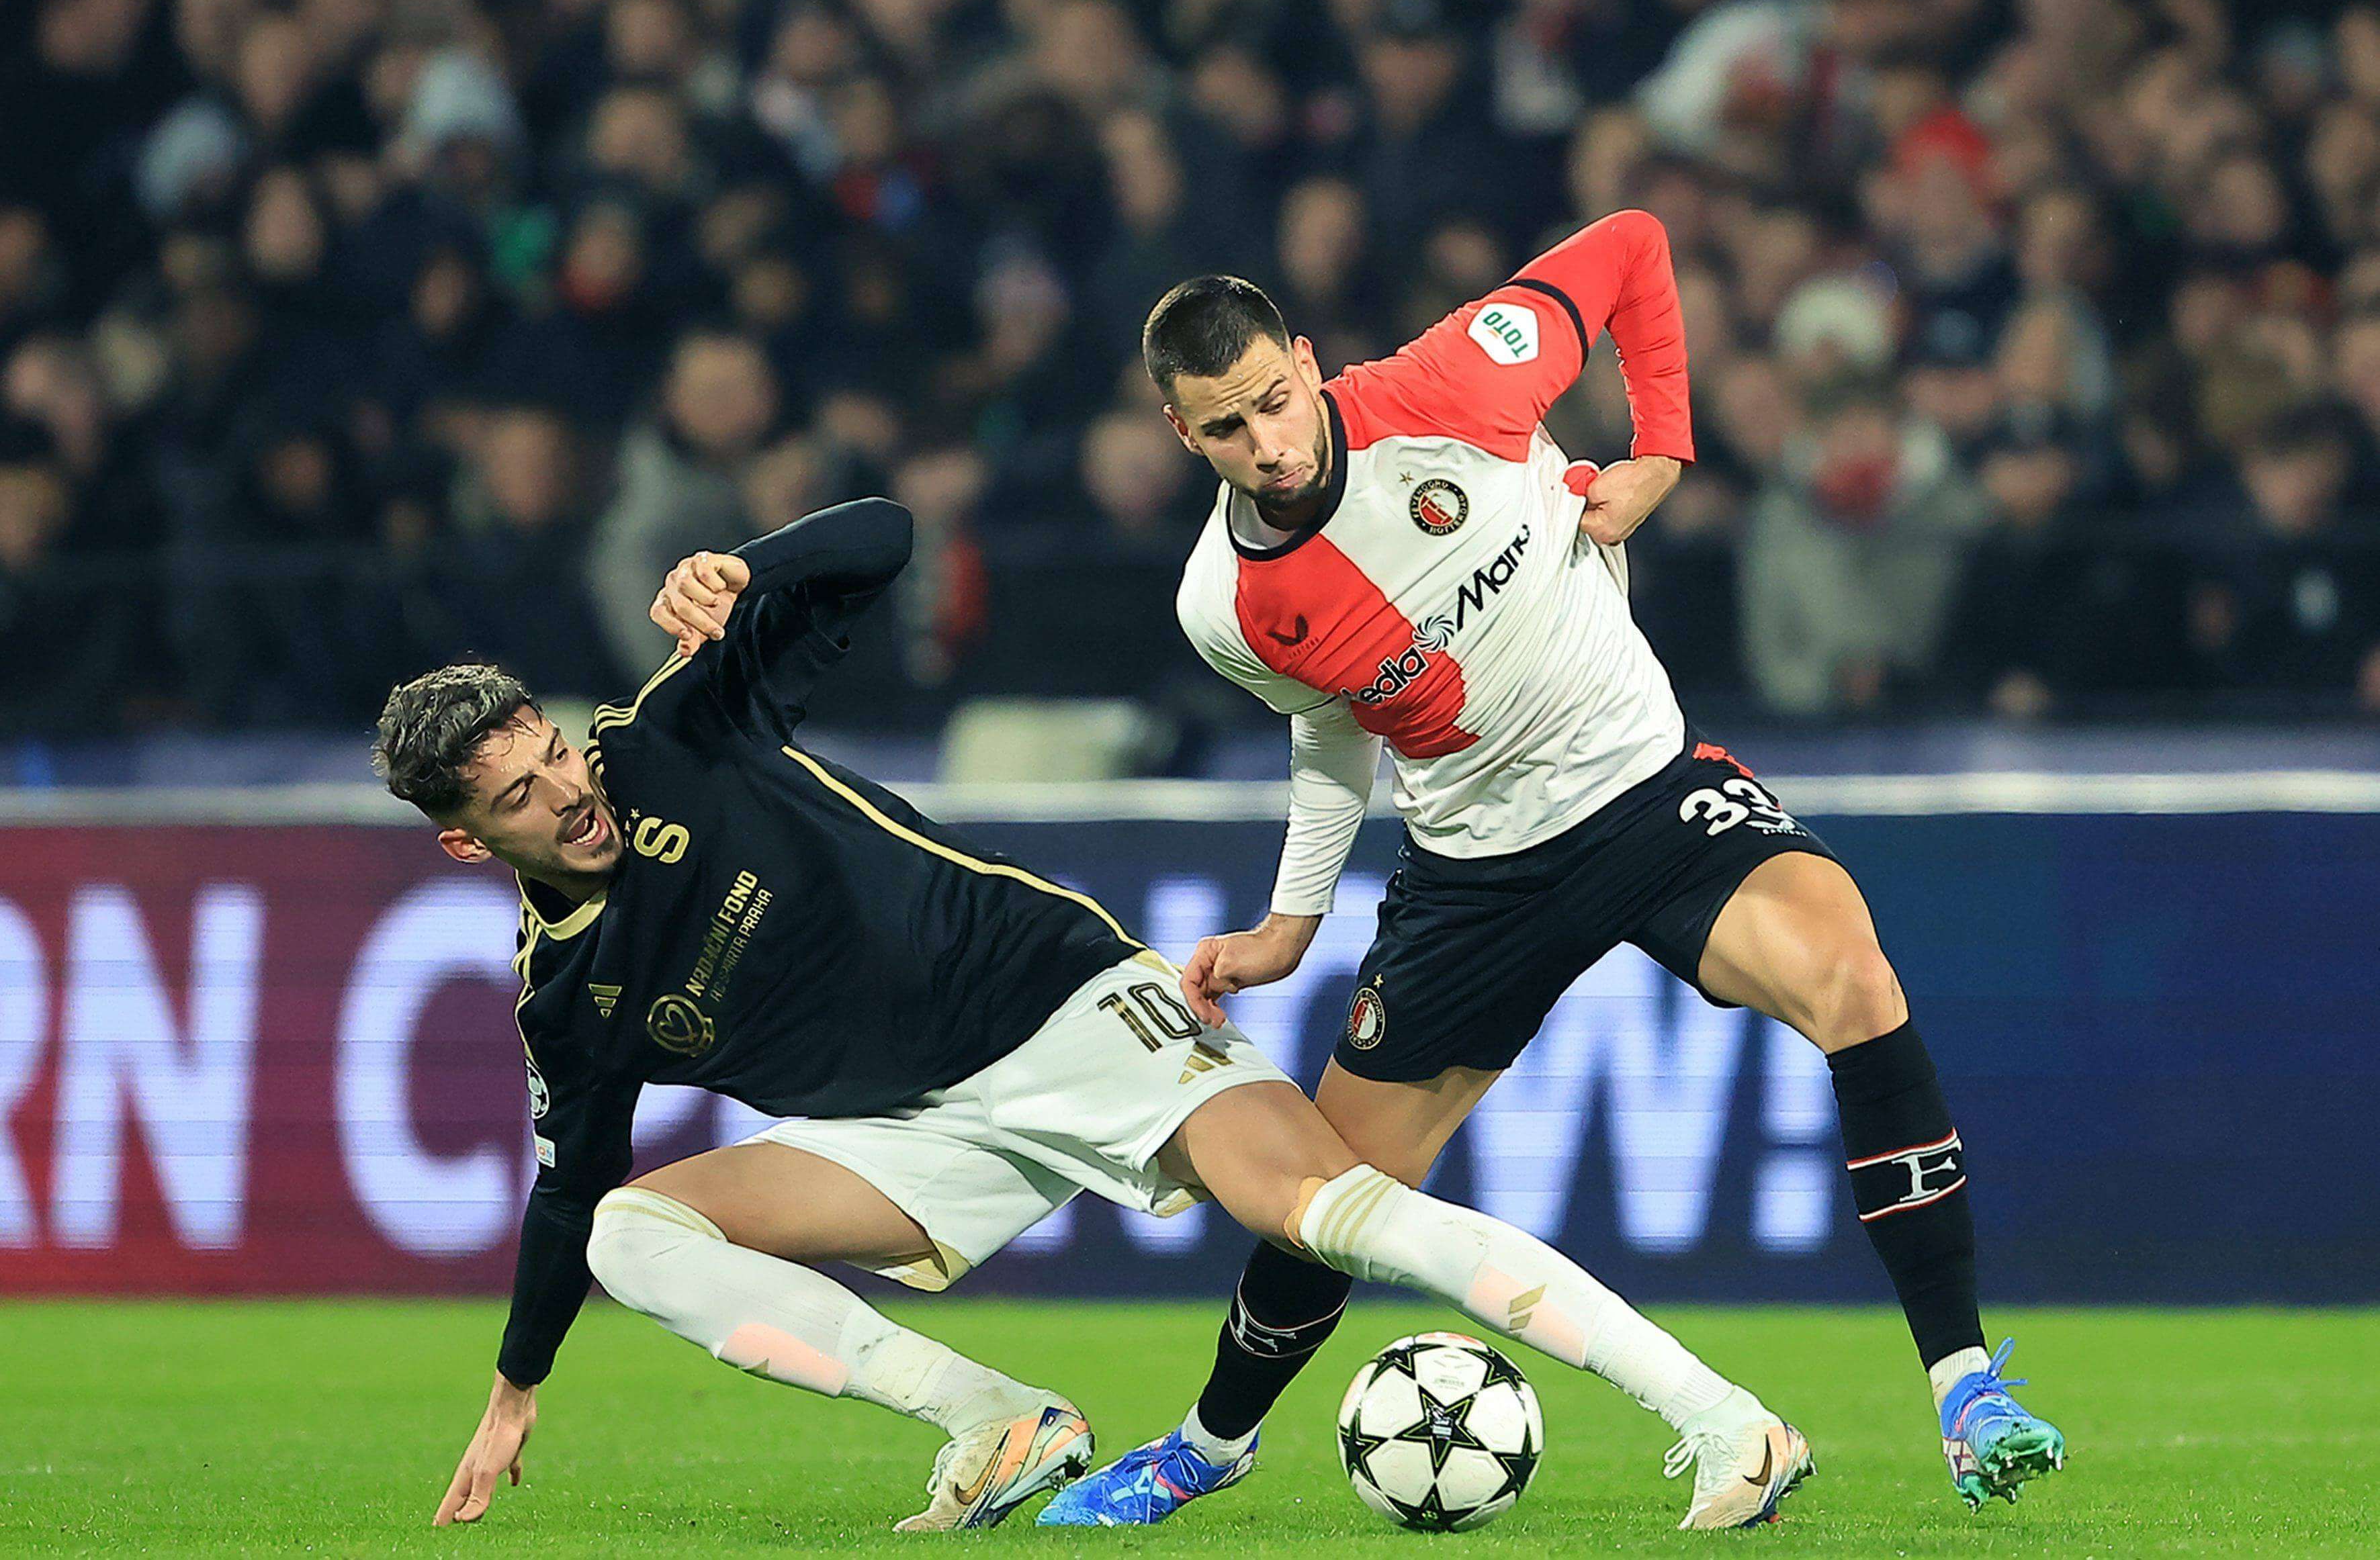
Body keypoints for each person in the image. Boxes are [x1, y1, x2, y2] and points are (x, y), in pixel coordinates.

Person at [381, 497, 1810, 1534]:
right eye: (516, 797)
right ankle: (997, 1419)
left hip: (1056, 1001)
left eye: (550, 753)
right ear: (466, 840)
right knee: (633, 1232)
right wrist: (514, 1390)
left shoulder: (673, 739)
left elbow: (882, 536)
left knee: (1327, 1208)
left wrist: (737, 567)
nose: (566, 792)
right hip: (916, 1131)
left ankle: (1724, 1419)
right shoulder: (565, 998)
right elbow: (566, 1188)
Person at [1050, 209, 2065, 1525]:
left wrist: (1660, 449)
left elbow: (1639, 244)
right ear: (1183, 436)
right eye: (1229, 430)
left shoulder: (1455, 378)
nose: (1272, 446)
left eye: (1276, 402)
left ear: (1306, 362)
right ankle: (1207, 1443)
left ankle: (1963, 1384)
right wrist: (1290, 921)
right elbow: (1323, 729)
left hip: (1649, 794)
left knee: (1850, 975)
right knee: (1324, 1198)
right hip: (1475, 873)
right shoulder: (1226, 605)